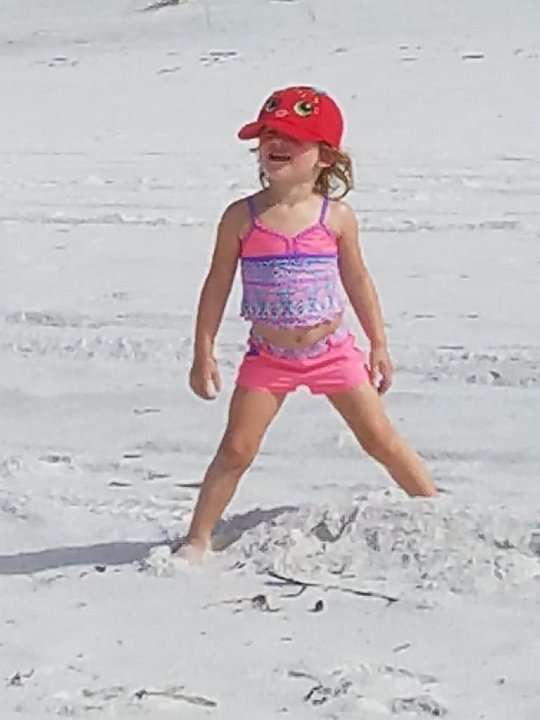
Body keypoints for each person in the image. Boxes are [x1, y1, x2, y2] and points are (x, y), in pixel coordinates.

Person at [181, 85, 437, 562]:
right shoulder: (241, 216)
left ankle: (437, 509)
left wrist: (378, 345)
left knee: (379, 439)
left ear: (325, 156)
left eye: (292, 137)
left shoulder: (335, 217)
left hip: (332, 352)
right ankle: (197, 539)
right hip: (269, 357)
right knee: (236, 449)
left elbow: (358, 280)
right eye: (268, 135)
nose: (275, 143)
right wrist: (203, 352)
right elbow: (216, 285)